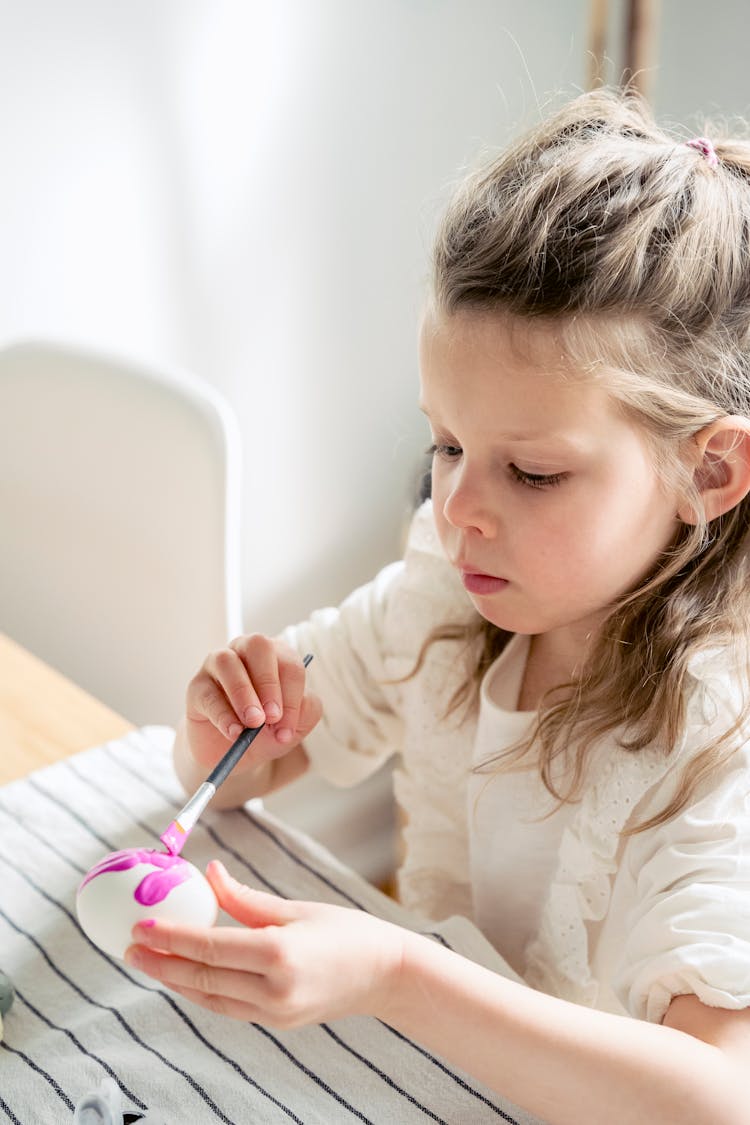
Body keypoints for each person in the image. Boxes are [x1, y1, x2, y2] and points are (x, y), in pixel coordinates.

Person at [125, 88, 750, 1124]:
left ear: (713, 471)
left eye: (533, 474)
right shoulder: (445, 594)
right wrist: (218, 738)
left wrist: (400, 977)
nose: (456, 509)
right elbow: (255, 771)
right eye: (448, 444)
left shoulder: (718, 748)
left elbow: (718, 1099)